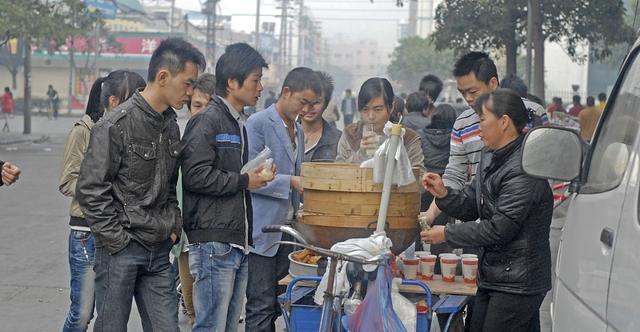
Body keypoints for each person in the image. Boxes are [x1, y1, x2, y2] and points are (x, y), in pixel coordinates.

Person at [76, 38, 205, 331]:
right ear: (163, 76)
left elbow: (171, 186)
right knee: (112, 327)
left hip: (159, 251)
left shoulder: (170, 125)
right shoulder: (115, 125)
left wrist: (173, 227)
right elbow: (91, 189)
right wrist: (118, 242)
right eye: (187, 83)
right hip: (121, 249)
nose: (190, 92)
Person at [421, 89, 553, 331]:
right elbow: (473, 204)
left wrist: (447, 234)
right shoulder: (491, 156)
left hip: (518, 281)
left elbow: (499, 229)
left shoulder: (524, 169)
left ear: (504, 122)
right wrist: (444, 194)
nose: (478, 127)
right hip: (495, 274)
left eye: (482, 119)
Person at [180, 42, 270, 332]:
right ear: (233, 82)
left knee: (229, 327)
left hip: (236, 241)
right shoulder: (208, 120)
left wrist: (252, 177)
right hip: (213, 243)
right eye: (255, 80)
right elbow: (195, 176)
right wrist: (245, 180)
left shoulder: (237, 123)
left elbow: (225, 176)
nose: (260, 88)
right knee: (210, 326)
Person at [58, 70, 146, 332]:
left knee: (109, 315)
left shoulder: (127, 132)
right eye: (135, 99)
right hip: (86, 232)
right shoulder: (83, 131)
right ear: (114, 101)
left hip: (115, 233)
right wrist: (101, 193)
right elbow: (66, 181)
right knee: (82, 313)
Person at [245, 67, 322, 332]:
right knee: (260, 305)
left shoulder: (298, 131)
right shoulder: (258, 123)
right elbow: (248, 177)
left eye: (311, 104)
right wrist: (290, 181)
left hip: (288, 232)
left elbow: (298, 175)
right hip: (262, 231)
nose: (305, 109)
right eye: (302, 102)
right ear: (286, 92)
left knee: (283, 301)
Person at [336, 77, 424, 168]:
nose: (371, 116)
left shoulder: (408, 138)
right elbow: (336, 174)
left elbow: (420, 176)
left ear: (391, 107)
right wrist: (360, 155)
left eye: (378, 109)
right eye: (365, 109)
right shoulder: (350, 134)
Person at [302, 71, 342, 162]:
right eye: (305, 101)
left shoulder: (338, 140)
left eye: (316, 102)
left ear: (326, 104)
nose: (309, 108)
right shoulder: (283, 134)